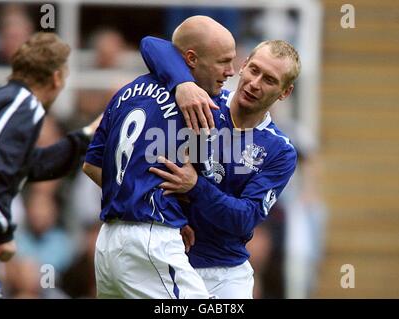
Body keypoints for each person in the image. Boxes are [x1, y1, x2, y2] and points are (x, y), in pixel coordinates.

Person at [82, 16, 235, 299]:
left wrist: (138, 197)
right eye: (223, 61)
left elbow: (91, 166)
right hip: (151, 241)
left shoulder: (125, 93)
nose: (231, 71)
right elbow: (196, 177)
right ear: (191, 59)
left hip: (108, 243)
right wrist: (155, 211)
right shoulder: (199, 107)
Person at [141, 28, 300, 298]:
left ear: (285, 92)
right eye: (254, 70)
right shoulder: (202, 100)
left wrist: (195, 187)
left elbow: (244, 219)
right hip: (169, 258)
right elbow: (151, 44)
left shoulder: (279, 151)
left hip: (225, 274)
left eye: (269, 80)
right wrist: (183, 84)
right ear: (244, 64)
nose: (255, 83)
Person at [0, 32, 100, 299]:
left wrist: (86, 136)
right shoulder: (25, 105)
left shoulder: (4, 101)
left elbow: (32, 166)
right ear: (56, 77)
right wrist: (1, 231)